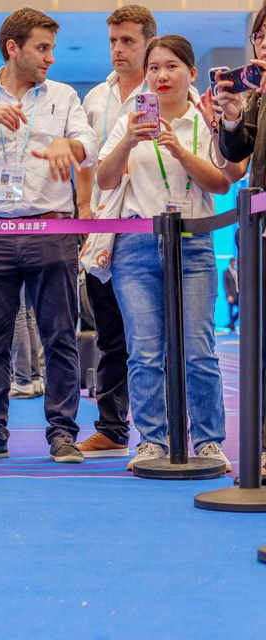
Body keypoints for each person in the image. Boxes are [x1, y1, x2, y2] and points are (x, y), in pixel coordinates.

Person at [0, 8, 98, 464]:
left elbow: (90, 148)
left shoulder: (65, 96)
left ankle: (63, 435)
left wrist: (68, 145)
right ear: (13, 48)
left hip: (51, 229)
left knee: (60, 339)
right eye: (42, 48)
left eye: (51, 48)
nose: (50, 57)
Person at [98, 35, 245, 472]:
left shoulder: (206, 122)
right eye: (154, 68)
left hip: (194, 242)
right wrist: (127, 142)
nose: (161, 76)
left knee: (199, 349)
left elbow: (222, 184)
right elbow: (105, 180)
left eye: (172, 67)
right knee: (143, 351)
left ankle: (208, 441)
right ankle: (152, 441)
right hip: (136, 246)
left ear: (191, 73)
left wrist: (177, 149)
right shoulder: (130, 118)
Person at [72, 6, 160, 458]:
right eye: (113, 41)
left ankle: (166, 433)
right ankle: (111, 426)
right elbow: (86, 165)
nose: (118, 49)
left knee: (155, 338)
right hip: (103, 231)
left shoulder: (164, 89)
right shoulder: (95, 98)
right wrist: (85, 213)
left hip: (149, 226)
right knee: (109, 333)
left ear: (149, 42)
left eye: (127, 40)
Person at [216, 1, 266, 476]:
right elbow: (235, 156)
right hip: (261, 232)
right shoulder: (257, 97)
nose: (264, 43)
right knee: (263, 345)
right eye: (260, 36)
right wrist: (231, 116)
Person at [223, 257, 238, 333]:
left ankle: (231, 323)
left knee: (241, 309)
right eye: (233, 262)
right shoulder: (226, 272)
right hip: (231, 294)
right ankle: (232, 326)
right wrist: (228, 295)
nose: (234, 263)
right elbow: (226, 285)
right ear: (231, 262)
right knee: (231, 310)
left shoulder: (236, 271)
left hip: (237, 293)